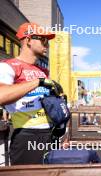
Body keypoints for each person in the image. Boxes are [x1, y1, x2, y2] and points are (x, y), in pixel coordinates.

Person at [0, 22, 61, 165]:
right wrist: (37, 82)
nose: (46, 45)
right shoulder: (8, 65)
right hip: (26, 135)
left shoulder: (43, 71)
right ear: (28, 40)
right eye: (43, 40)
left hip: (49, 134)